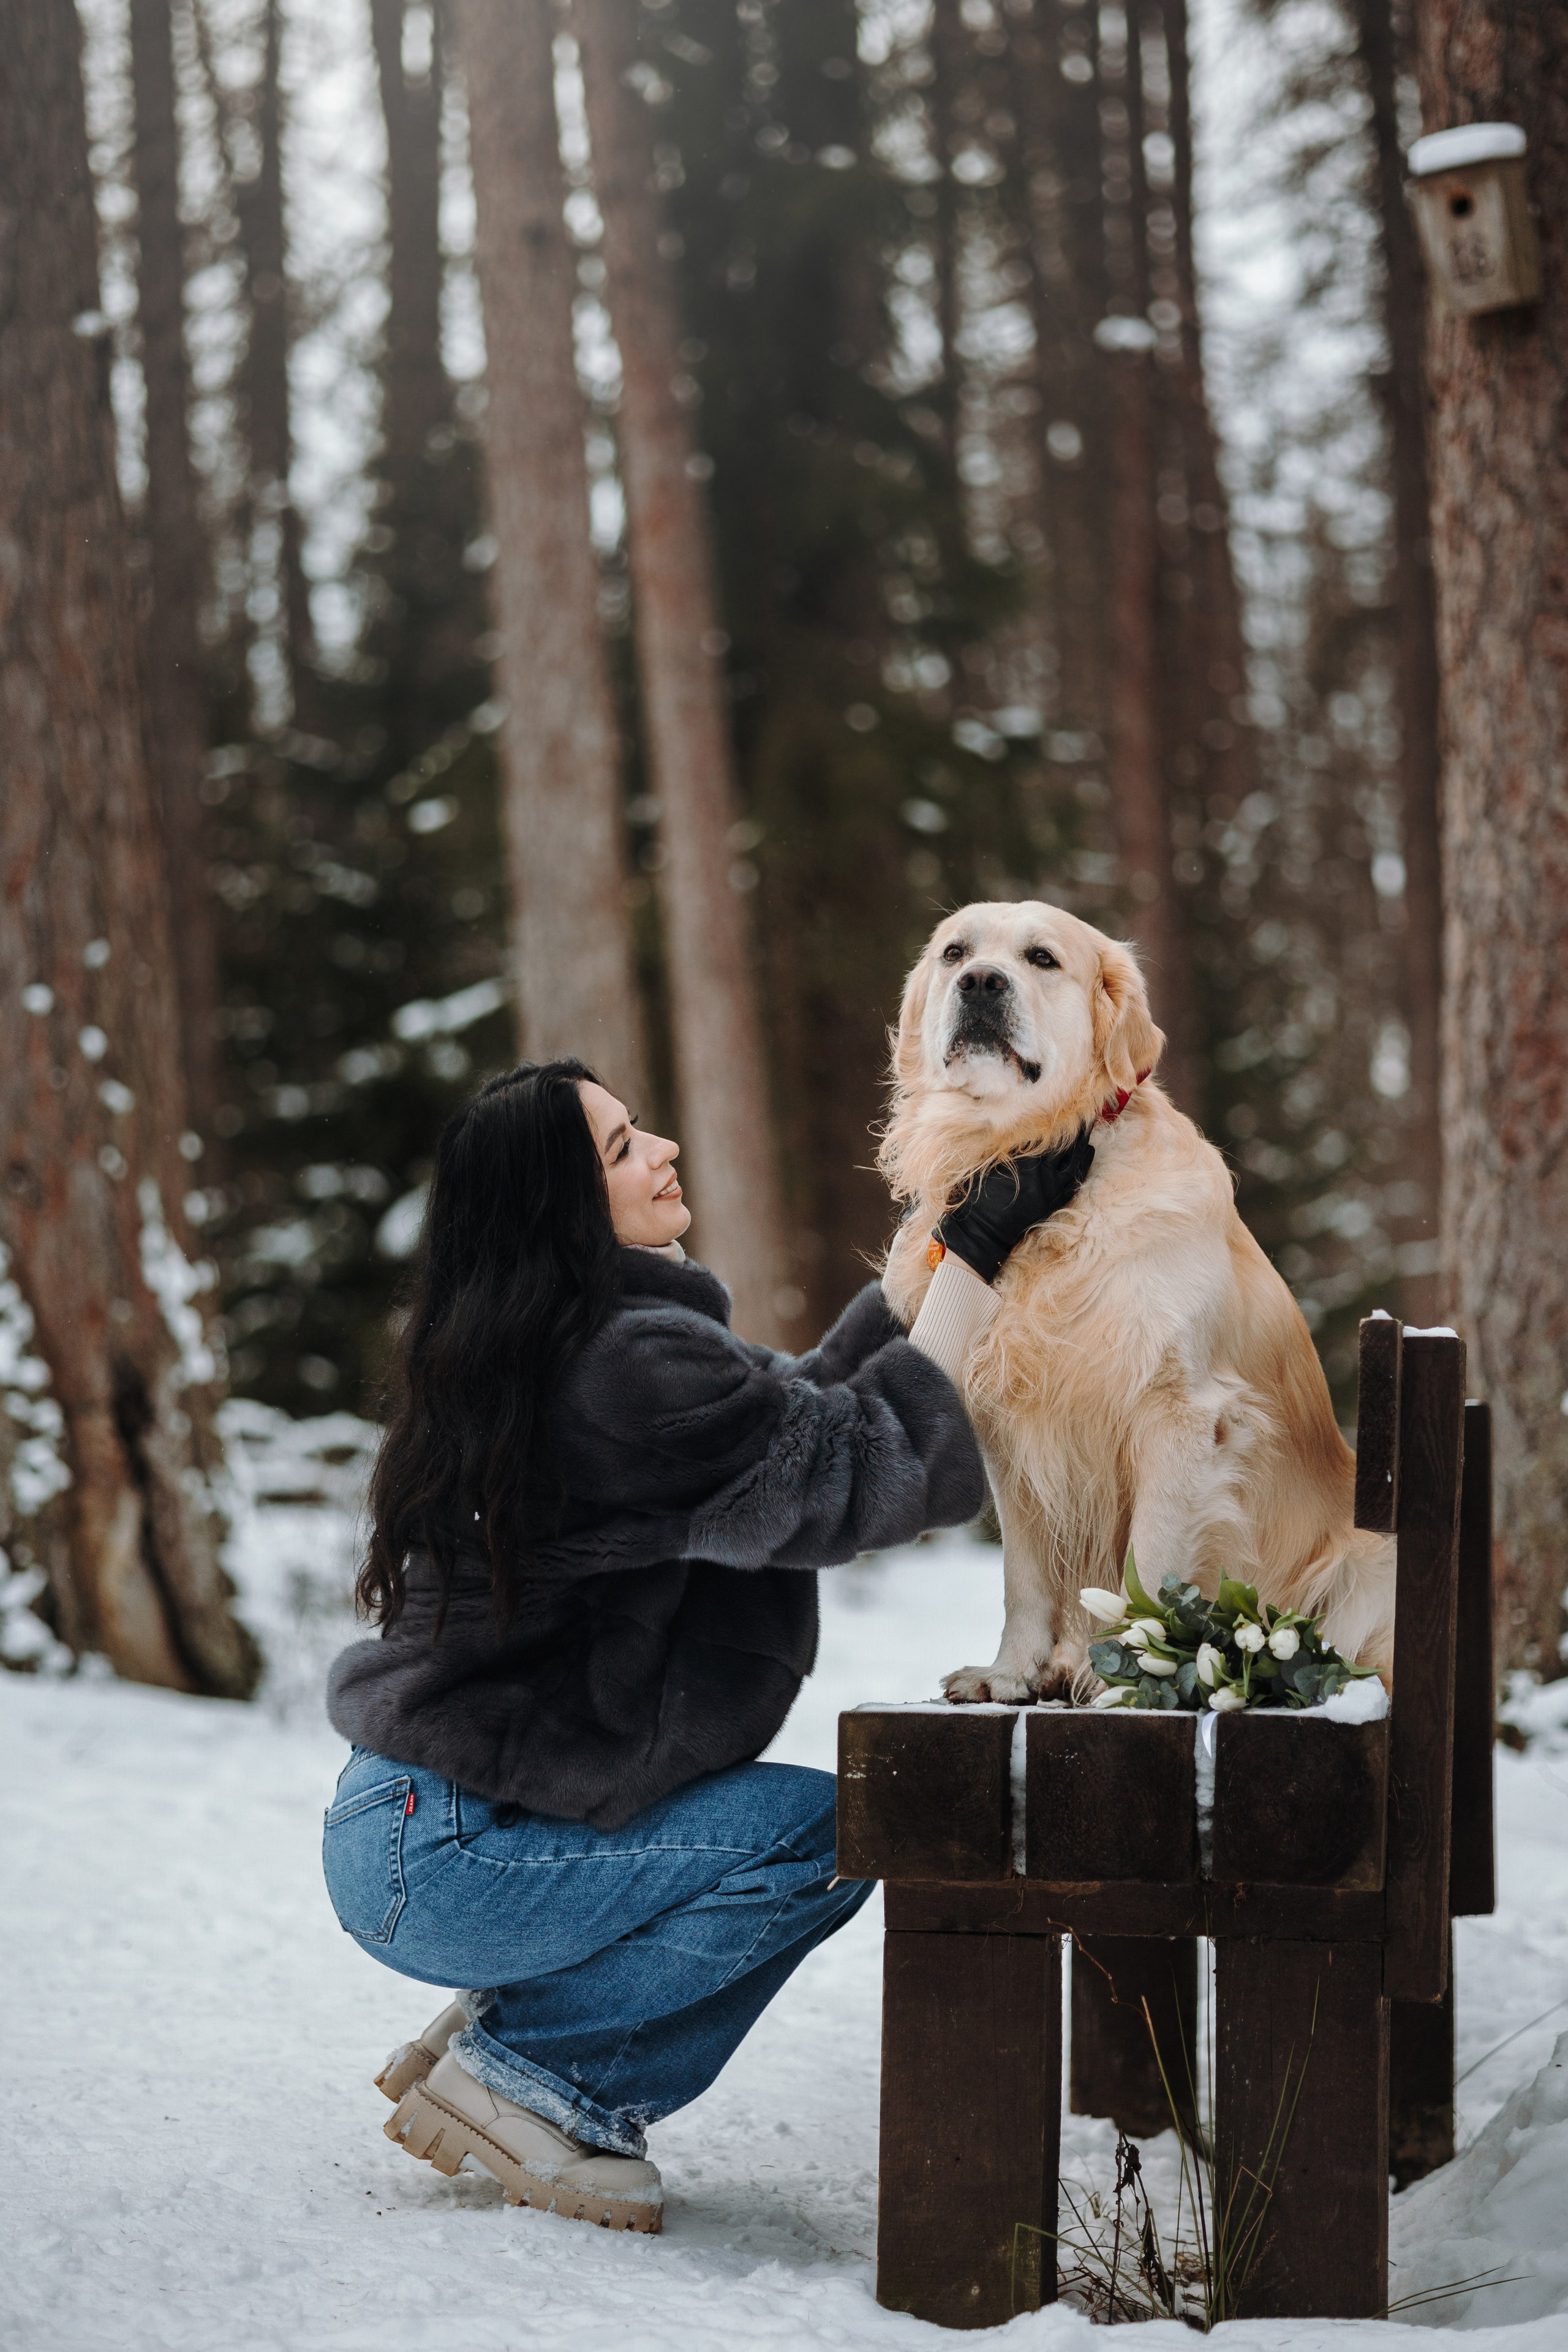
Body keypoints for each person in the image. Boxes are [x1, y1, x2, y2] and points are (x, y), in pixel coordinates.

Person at [322, 1059, 1092, 2233]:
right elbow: (855, 1466)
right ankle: (540, 2076)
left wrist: (942, 1241)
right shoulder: (623, 1367)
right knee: (820, 1835)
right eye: (622, 1147)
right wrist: (977, 1260)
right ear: (565, 1206)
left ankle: (516, 2034)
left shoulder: (581, 1343)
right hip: (456, 1852)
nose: (663, 1150)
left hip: (427, 1829)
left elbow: (809, 1417)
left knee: (806, 1827)